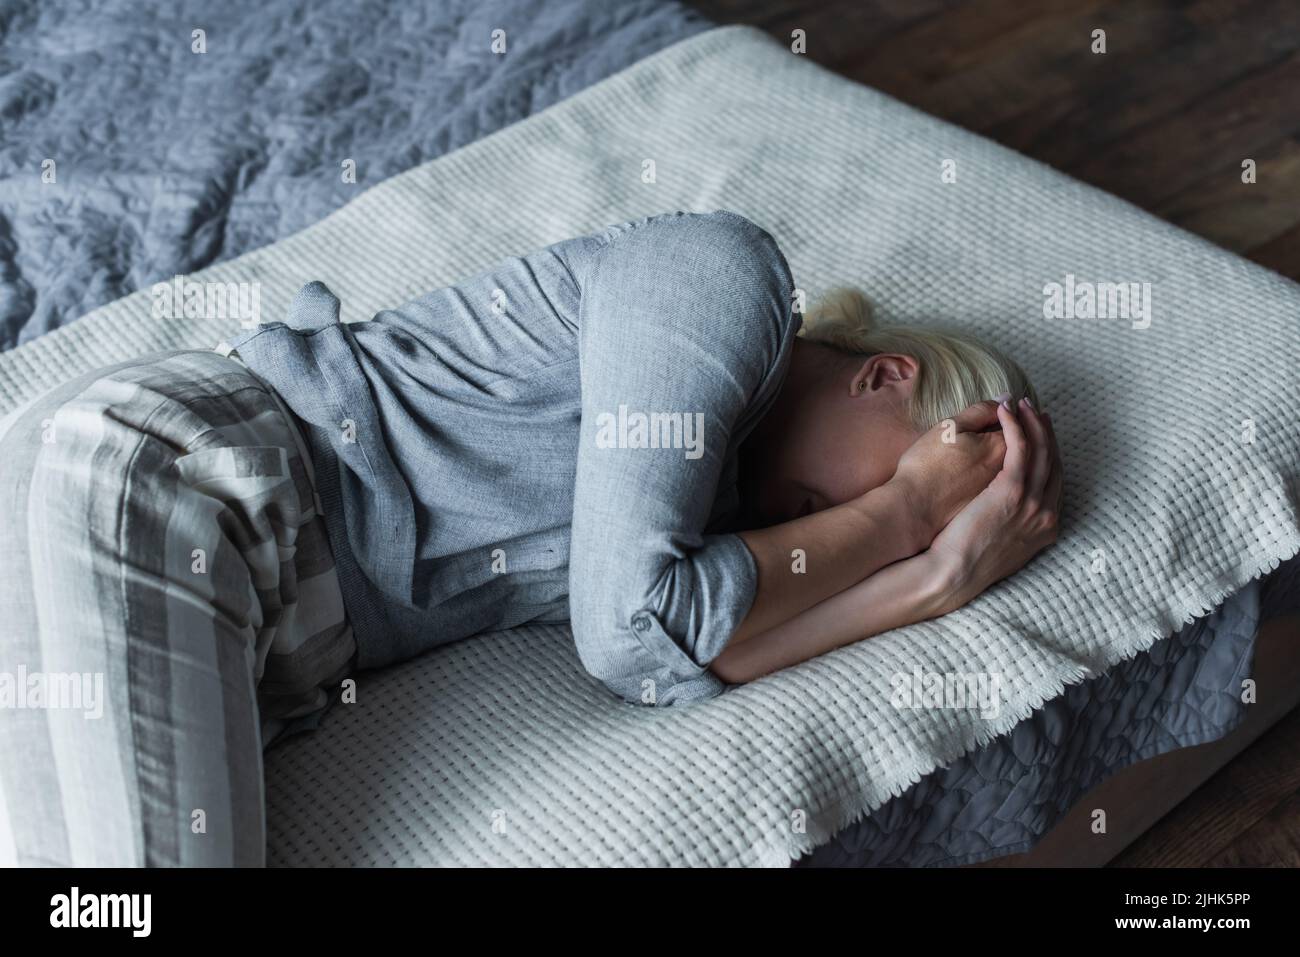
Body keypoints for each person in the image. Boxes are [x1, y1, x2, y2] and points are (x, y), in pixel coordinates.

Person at [0, 210, 1060, 865]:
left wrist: (935, 579)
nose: (819, 537)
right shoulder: (717, 274)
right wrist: (911, 521)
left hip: (235, 613)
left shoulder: (707, 524)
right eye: (897, 475)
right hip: (178, 483)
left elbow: (670, 655)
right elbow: (636, 626)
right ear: (885, 377)